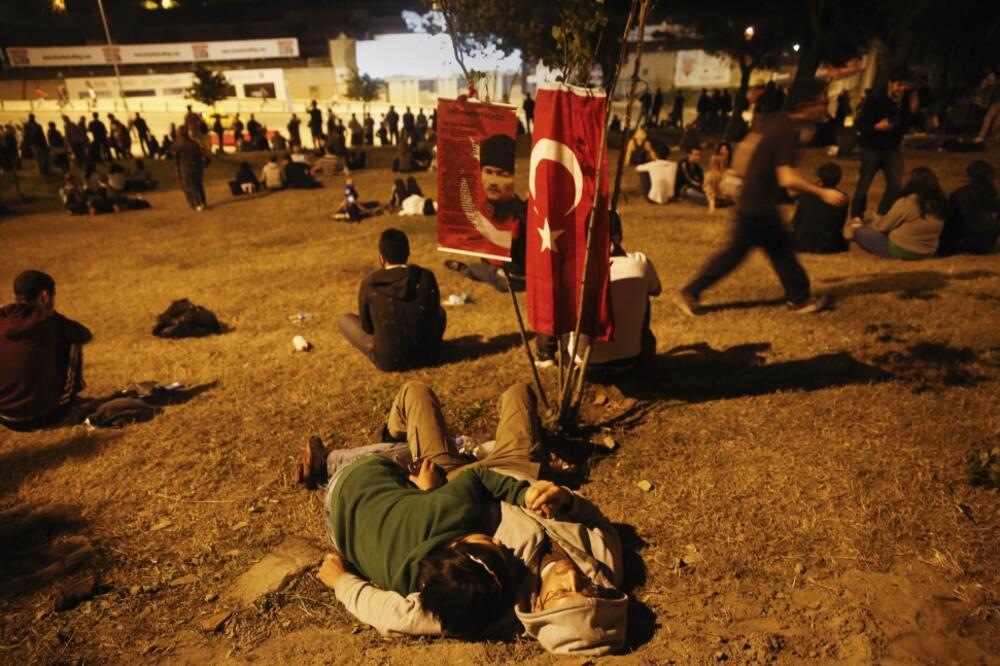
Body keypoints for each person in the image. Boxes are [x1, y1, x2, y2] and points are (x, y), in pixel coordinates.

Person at [297, 380, 628, 655]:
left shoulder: (492, 603)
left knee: (416, 392)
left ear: (540, 606)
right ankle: (399, 435)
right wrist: (566, 500)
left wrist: (344, 583)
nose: (571, 578)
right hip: (517, 471)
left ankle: (375, 446)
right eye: (586, 589)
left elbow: (399, 616)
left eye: (561, 593)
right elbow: (597, 521)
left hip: (450, 483)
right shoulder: (604, 566)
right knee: (519, 392)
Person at [676, 79, 847, 316]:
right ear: (805, 105)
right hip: (758, 206)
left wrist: (738, 179)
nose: (825, 107)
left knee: (779, 249)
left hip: (757, 201)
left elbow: (745, 149)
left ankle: (799, 297)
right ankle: (691, 292)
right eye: (822, 102)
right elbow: (787, 178)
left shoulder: (773, 120)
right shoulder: (788, 130)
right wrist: (822, 192)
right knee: (739, 254)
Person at [337, 228, 446, 372]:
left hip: (389, 360)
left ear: (381, 257)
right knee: (441, 312)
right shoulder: (425, 276)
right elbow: (434, 315)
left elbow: (367, 328)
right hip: (427, 355)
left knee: (344, 320)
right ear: (408, 253)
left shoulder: (370, 284)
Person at [0, 271, 92, 431]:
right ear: (45, 296)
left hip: (5, 417)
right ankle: (68, 399)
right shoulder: (49, 321)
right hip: (46, 416)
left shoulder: (3, 319)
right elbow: (83, 334)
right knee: (72, 341)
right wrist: (53, 315)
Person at [577, 212, 661, 376]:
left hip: (584, 364)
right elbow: (656, 290)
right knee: (642, 292)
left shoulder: (577, 268)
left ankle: (546, 355)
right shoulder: (639, 262)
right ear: (617, 236)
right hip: (630, 360)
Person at [443, 135, 527, 293]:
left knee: (480, 270)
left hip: (513, 277)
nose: (493, 182)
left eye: (502, 174)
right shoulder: (485, 208)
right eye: (488, 172)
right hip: (505, 270)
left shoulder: (517, 213)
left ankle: (465, 269)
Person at [850, 67, 918, 224]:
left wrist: (912, 112)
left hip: (893, 148)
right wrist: (876, 127)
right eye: (899, 85)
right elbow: (859, 124)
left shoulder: (905, 99)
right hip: (872, 147)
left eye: (905, 85)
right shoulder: (875, 98)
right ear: (890, 84)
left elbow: (906, 124)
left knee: (895, 185)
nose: (902, 89)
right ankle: (857, 214)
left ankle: (882, 213)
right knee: (864, 184)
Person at [852, 166, 945, 260]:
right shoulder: (940, 203)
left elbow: (883, 227)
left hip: (901, 250)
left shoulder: (907, 202)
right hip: (928, 252)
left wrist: (872, 220)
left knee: (859, 232)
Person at [939, 160, 999, 255]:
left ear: (969, 176)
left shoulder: (960, 194)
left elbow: (950, 222)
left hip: (966, 242)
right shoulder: (994, 195)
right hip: (988, 243)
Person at [791, 162, 849, 254]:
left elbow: (796, 221)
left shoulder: (806, 195)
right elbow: (839, 224)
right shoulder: (842, 197)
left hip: (802, 243)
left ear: (820, 178)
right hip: (828, 245)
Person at [172, 125, 208, 211]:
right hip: (197, 167)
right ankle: (203, 202)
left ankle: (197, 203)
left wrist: (178, 171)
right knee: (199, 185)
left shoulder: (177, 145)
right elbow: (200, 154)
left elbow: (176, 160)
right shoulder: (194, 143)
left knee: (191, 186)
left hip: (186, 168)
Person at [703, 142, 735, 213]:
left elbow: (709, 192)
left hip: (717, 199)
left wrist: (712, 208)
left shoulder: (709, 175)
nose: (724, 151)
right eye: (722, 149)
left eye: (726, 149)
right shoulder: (728, 173)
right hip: (725, 199)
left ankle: (717, 203)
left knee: (691, 191)